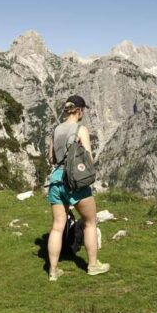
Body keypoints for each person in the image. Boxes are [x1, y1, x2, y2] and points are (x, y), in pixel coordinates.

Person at [45, 95, 110, 281]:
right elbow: (88, 158)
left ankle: (53, 271)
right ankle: (93, 265)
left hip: (56, 181)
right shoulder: (81, 129)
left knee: (57, 226)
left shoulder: (56, 130)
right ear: (80, 110)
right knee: (90, 222)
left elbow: (52, 159)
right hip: (74, 182)